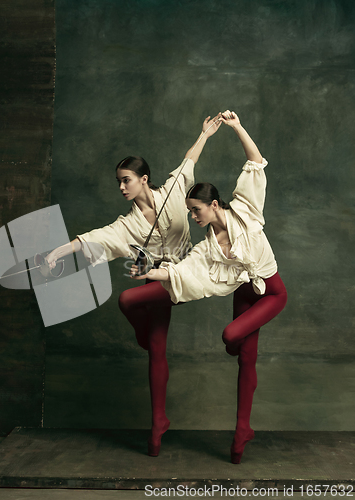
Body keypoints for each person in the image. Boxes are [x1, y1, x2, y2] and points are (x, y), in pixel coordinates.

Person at [46, 114, 223, 457]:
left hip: (183, 276)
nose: (122, 187)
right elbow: (91, 239)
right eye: (118, 182)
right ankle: (158, 424)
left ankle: (141, 336)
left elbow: (189, 161)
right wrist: (57, 252)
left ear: (144, 180)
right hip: (160, 282)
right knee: (157, 350)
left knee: (127, 299)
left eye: (126, 180)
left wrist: (204, 134)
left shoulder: (173, 193)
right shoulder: (124, 225)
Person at [129, 110, 287, 464]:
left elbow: (255, 162)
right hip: (245, 292)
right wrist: (147, 274)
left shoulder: (246, 210)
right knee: (247, 358)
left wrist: (237, 127)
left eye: (196, 209)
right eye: (189, 211)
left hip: (271, 293)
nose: (192, 216)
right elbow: (184, 272)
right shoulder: (206, 248)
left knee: (232, 337)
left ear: (214, 204)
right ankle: (241, 432)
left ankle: (236, 358)